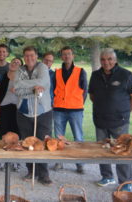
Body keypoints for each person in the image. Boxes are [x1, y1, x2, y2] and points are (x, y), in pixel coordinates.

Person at [89, 48, 132, 192]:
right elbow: (92, 95)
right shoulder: (95, 75)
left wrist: (125, 112)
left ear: (115, 60)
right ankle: (107, 176)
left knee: (123, 151)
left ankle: (126, 182)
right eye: (103, 59)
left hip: (119, 122)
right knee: (102, 151)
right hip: (100, 120)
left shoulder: (126, 74)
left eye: (109, 59)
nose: (106, 62)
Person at [14, 46, 53, 185]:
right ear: (24, 57)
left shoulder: (42, 67)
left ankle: (44, 174)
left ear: (36, 56)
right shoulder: (20, 70)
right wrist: (33, 88)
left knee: (42, 142)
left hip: (43, 112)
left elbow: (43, 83)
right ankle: (31, 171)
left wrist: (23, 85)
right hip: (24, 113)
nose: (29, 58)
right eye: (26, 56)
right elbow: (16, 89)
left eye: (32, 55)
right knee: (27, 143)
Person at [52, 46, 87, 174]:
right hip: (59, 109)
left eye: (69, 54)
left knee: (78, 137)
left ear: (73, 56)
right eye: (64, 54)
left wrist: (77, 103)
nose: (66, 56)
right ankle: (59, 162)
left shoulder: (80, 71)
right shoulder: (57, 72)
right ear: (61, 57)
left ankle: (80, 164)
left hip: (75, 109)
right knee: (59, 138)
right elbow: (53, 90)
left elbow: (85, 91)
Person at [0, 57, 23, 138]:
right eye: (13, 62)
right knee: (4, 133)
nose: (14, 64)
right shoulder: (1, 77)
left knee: (17, 134)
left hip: (16, 109)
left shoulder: (22, 80)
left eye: (17, 63)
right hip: (3, 108)